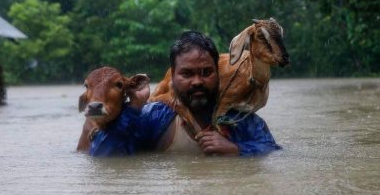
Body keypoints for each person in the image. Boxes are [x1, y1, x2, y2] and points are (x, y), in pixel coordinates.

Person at [90, 31, 281, 156]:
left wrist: (237, 149)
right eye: (187, 74)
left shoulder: (242, 119)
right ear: (172, 76)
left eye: (206, 72)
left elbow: (274, 152)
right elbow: (103, 156)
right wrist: (133, 108)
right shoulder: (154, 116)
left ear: (217, 73)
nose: (197, 81)